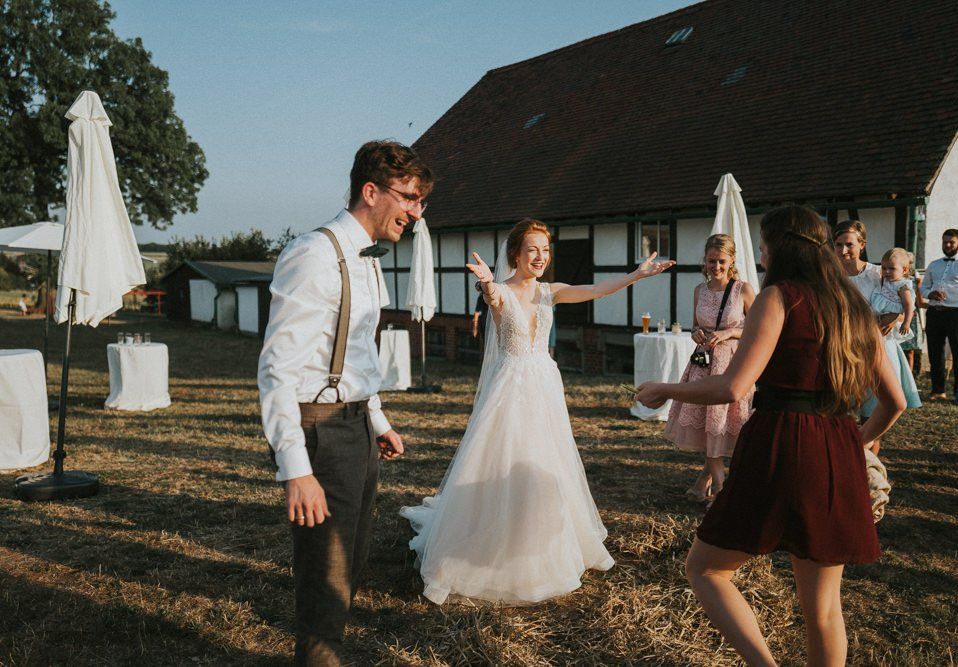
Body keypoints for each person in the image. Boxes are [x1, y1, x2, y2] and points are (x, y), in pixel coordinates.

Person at [637, 206, 905, 666]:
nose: (761, 255)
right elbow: (894, 401)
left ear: (781, 247)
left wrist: (664, 388)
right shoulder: (853, 307)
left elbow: (732, 386)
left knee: (705, 569)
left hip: (781, 439)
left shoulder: (778, 298)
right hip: (836, 442)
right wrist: (855, 444)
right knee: (824, 608)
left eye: (763, 245)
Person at [400, 218, 675, 605]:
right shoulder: (502, 291)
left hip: (544, 384)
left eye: (545, 250)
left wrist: (636, 275)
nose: (540, 256)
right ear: (516, 254)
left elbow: (595, 289)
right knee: (505, 458)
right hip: (510, 388)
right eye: (532, 249)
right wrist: (487, 283)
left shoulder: (550, 291)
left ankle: (541, 540)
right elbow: (493, 297)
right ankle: (494, 540)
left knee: (547, 460)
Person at [258, 140, 433, 665]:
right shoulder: (314, 254)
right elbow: (276, 369)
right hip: (321, 431)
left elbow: (356, 353)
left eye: (421, 201)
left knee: (352, 562)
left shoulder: (369, 259)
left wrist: (376, 419)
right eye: (409, 198)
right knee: (326, 574)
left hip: (356, 428)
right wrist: (296, 469)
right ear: (371, 191)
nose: (416, 213)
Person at [664, 234, 755, 502]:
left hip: (732, 364)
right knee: (707, 424)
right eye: (711, 261)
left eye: (721, 261)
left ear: (732, 261)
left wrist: (729, 333)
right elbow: (696, 324)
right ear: (704, 261)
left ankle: (716, 488)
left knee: (722, 422)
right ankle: (712, 486)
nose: (716, 267)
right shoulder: (699, 291)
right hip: (703, 363)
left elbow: (758, 328)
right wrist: (696, 333)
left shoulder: (743, 290)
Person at [859, 248, 922, 440]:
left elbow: (909, 306)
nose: (886, 271)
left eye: (891, 268)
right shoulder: (883, 280)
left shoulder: (903, 286)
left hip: (885, 329)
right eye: (884, 267)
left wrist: (904, 321)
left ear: (904, 270)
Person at [922, 229, 958, 400]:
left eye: (951, 242)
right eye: (945, 242)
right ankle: (937, 390)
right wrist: (930, 294)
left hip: (957, 315)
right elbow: (923, 287)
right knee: (935, 352)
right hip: (935, 313)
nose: (948, 245)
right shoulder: (934, 264)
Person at [900, 252, 925, 374]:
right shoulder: (894, 278)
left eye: (910, 263)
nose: (909, 265)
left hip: (912, 318)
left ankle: (909, 375)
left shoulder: (915, 280)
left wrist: (919, 286)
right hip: (898, 314)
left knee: (910, 350)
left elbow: (919, 302)